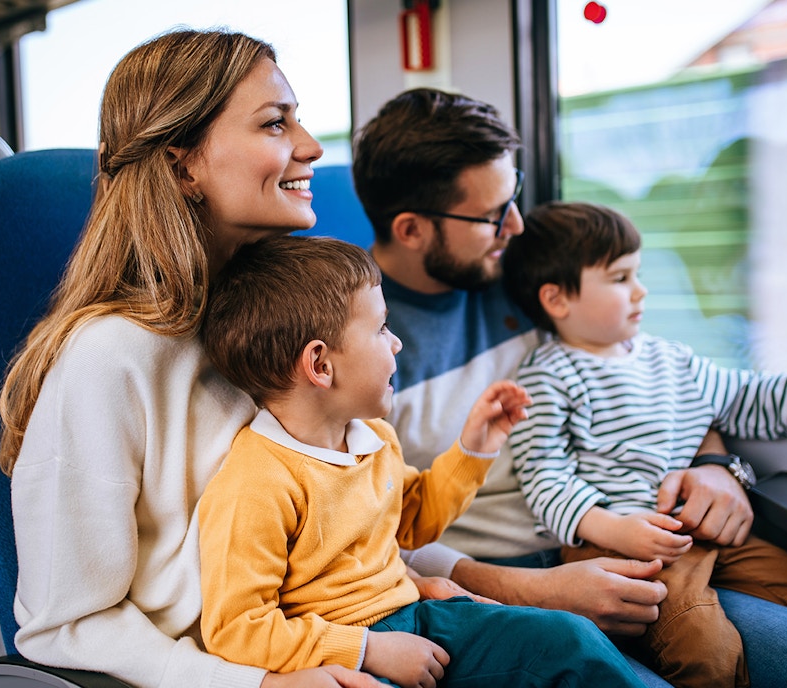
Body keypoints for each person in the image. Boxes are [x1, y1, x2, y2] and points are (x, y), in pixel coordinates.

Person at [351, 86, 787, 687]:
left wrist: (716, 466)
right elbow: (370, 533)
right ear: (413, 229)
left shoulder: (531, 272)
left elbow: (649, 374)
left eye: (515, 195)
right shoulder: (361, 340)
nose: (517, 224)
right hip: (495, 576)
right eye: (495, 214)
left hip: (634, 530)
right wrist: (536, 588)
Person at [0, 29, 388, 688]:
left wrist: (475, 584)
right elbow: (66, 624)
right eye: (274, 123)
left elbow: (354, 508)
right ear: (183, 167)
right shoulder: (110, 359)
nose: (312, 147)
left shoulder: (288, 328)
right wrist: (257, 686)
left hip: (353, 630)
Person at [197, 234, 646, 688]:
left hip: (418, 613)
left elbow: (412, 522)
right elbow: (237, 629)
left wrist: (474, 449)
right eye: (380, 329)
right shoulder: (256, 482)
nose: (396, 344)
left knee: (568, 637)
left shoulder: (373, 437)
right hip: (345, 648)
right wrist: (367, 651)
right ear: (321, 365)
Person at [501, 200, 787, 687]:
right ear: (557, 301)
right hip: (618, 550)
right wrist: (617, 530)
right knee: (707, 653)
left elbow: (751, 398)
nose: (641, 291)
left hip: (700, 531)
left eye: (636, 274)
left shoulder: (673, 360)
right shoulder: (548, 376)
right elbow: (544, 476)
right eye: (620, 279)